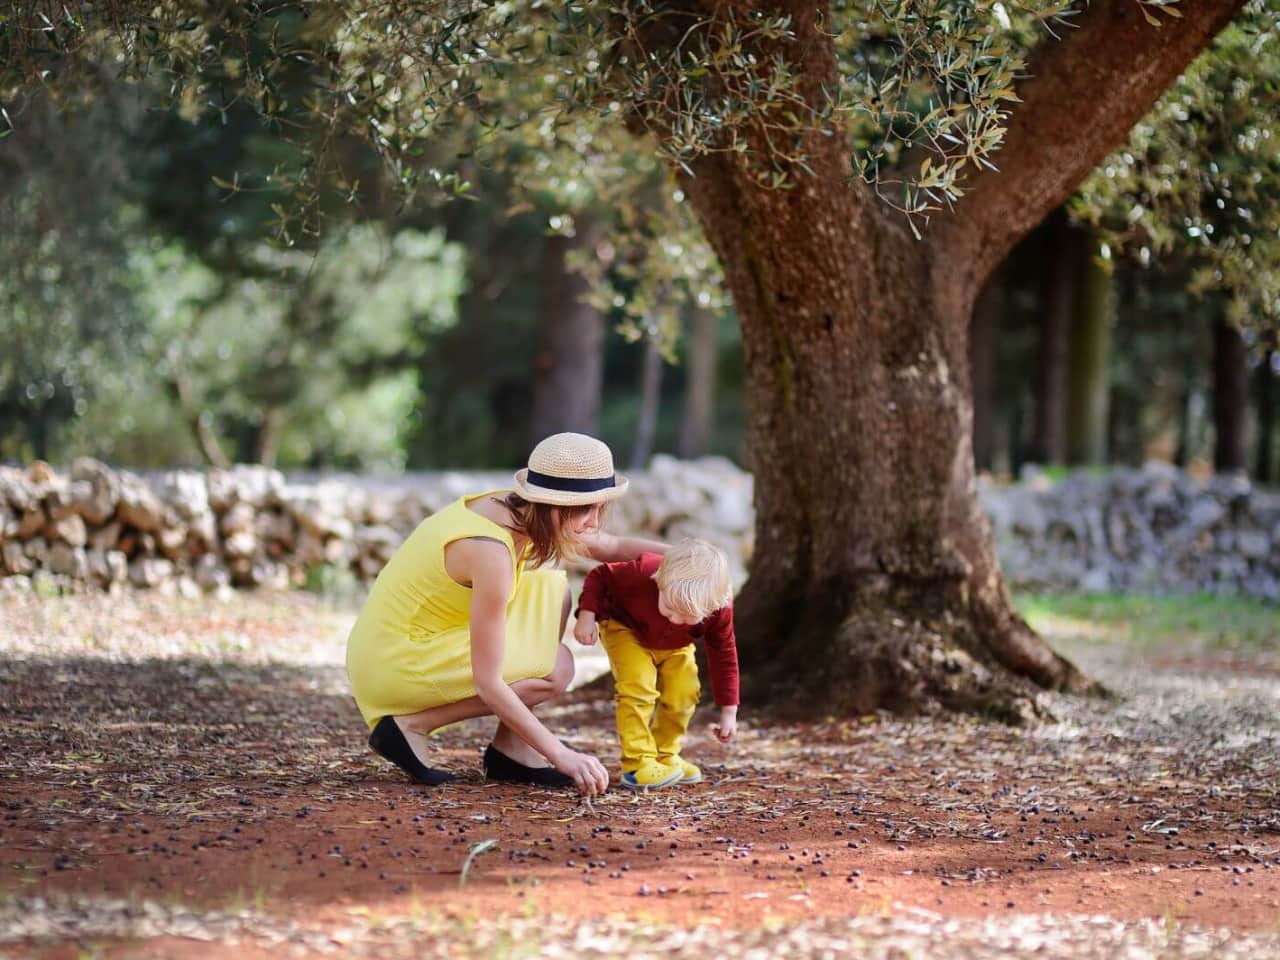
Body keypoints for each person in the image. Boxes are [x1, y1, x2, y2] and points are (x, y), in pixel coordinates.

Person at [345, 433, 665, 797]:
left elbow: (611, 546)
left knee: (553, 593)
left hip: (399, 639)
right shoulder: (490, 550)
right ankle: (409, 725)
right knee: (555, 668)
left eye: (598, 507)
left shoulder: (514, 507)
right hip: (393, 659)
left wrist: (687, 555)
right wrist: (562, 755)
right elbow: (489, 682)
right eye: (582, 510)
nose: (592, 522)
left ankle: (512, 749)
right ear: (551, 505)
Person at [573, 538, 739, 790]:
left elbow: (724, 653)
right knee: (638, 686)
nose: (675, 617)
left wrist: (729, 711)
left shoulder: (719, 608)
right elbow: (600, 575)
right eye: (670, 606)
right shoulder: (642, 571)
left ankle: (665, 754)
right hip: (625, 626)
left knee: (685, 691)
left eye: (687, 616)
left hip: (676, 643)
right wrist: (586, 615)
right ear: (659, 580)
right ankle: (637, 763)